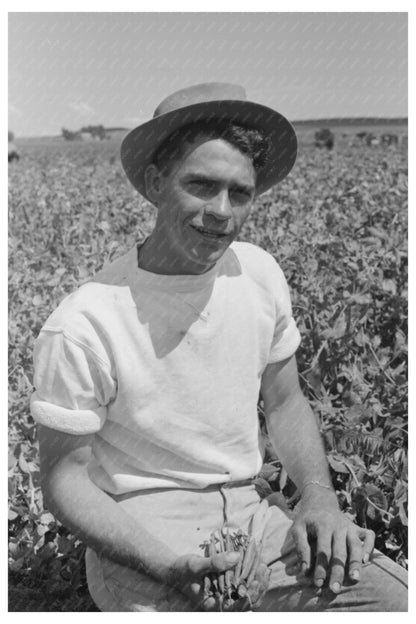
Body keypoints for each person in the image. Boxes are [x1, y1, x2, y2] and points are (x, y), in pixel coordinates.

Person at [31, 83, 407, 611]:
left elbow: (285, 401)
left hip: (252, 513)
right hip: (143, 528)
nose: (222, 212)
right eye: (201, 185)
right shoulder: (84, 322)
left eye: (240, 192)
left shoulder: (259, 273)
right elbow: (65, 484)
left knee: (392, 603)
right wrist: (165, 565)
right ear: (157, 182)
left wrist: (319, 498)